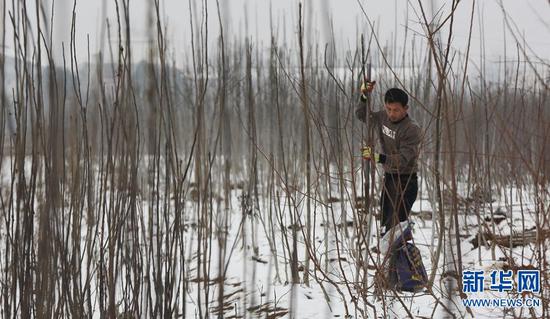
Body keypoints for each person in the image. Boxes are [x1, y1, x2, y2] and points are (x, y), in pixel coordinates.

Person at [356, 81, 421, 237]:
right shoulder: (383, 117)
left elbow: (403, 159)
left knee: (397, 230)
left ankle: (405, 259)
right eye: (389, 109)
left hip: (406, 181)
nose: (392, 113)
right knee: (385, 228)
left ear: (406, 109)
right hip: (389, 178)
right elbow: (362, 115)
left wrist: (378, 157)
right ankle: (389, 261)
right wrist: (364, 96)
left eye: (396, 110)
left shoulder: (411, 129)